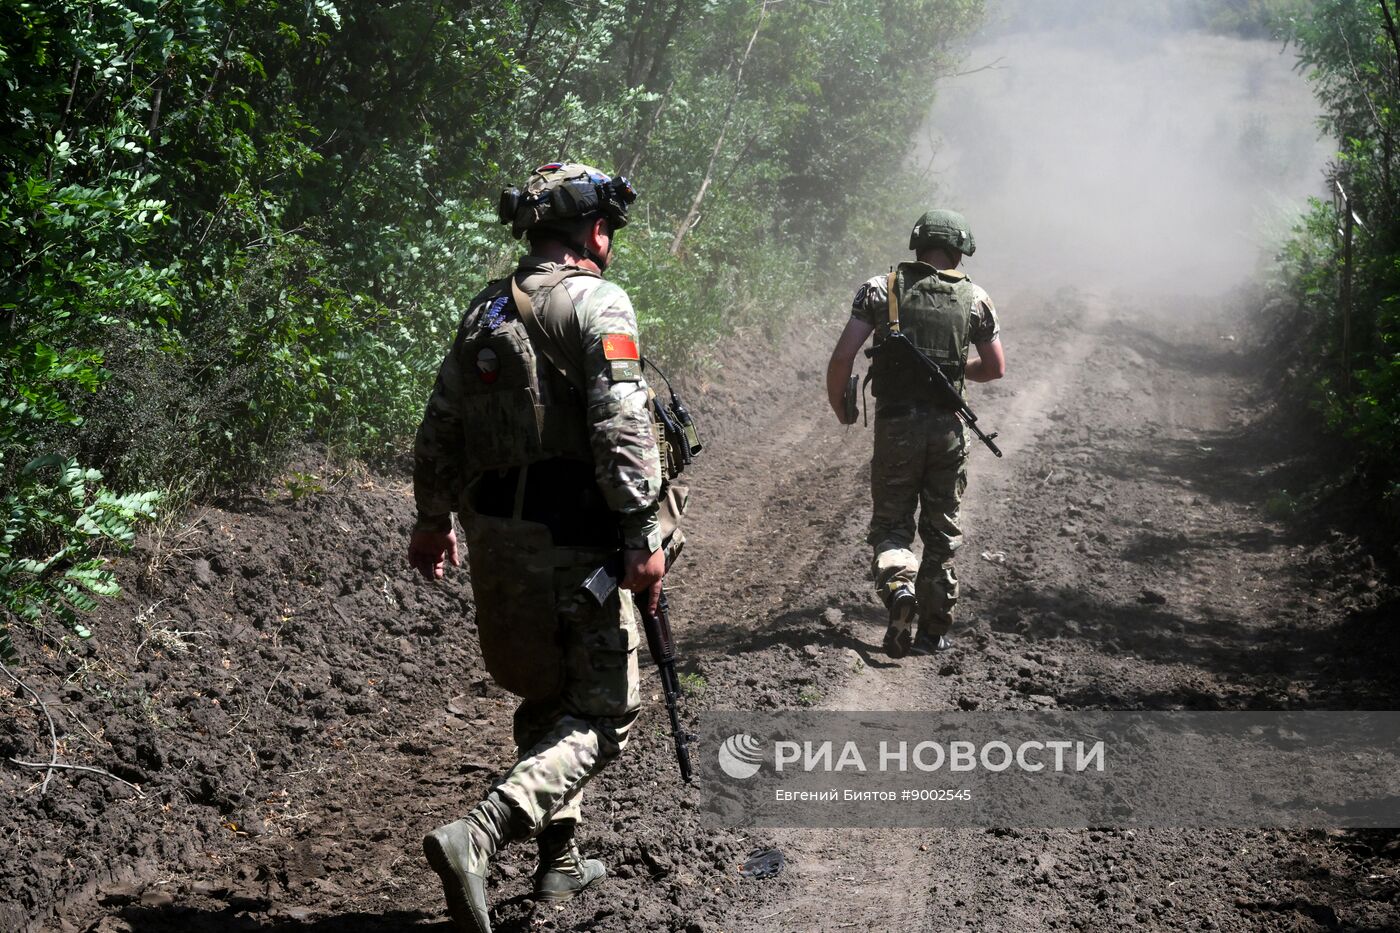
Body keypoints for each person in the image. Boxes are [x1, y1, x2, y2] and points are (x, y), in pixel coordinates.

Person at [407, 162, 665, 933]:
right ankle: (478, 834)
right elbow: (623, 428)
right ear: (593, 231)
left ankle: (560, 861)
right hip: (576, 539)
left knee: (549, 691)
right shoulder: (598, 301)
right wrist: (642, 533)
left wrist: (432, 518)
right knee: (608, 713)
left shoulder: (485, 310)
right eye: (609, 229)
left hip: (499, 537)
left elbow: (440, 425)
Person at [825, 209, 1005, 658]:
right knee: (941, 535)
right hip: (948, 429)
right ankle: (932, 633)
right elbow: (995, 368)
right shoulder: (976, 298)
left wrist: (843, 409)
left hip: (896, 427)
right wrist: (946, 369)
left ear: (917, 244)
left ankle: (898, 587)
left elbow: (843, 357)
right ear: (960, 250)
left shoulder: (879, 289)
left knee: (891, 526)